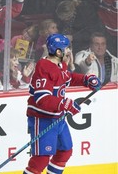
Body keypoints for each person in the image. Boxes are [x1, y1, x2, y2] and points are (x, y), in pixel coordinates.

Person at [23, 33, 101, 174]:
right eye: (66, 48)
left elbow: (67, 78)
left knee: (65, 151)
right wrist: (65, 104)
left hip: (57, 117)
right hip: (42, 119)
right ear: (58, 51)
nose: (69, 50)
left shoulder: (60, 65)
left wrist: (86, 80)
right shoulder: (43, 67)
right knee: (41, 160)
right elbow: (42, 99)